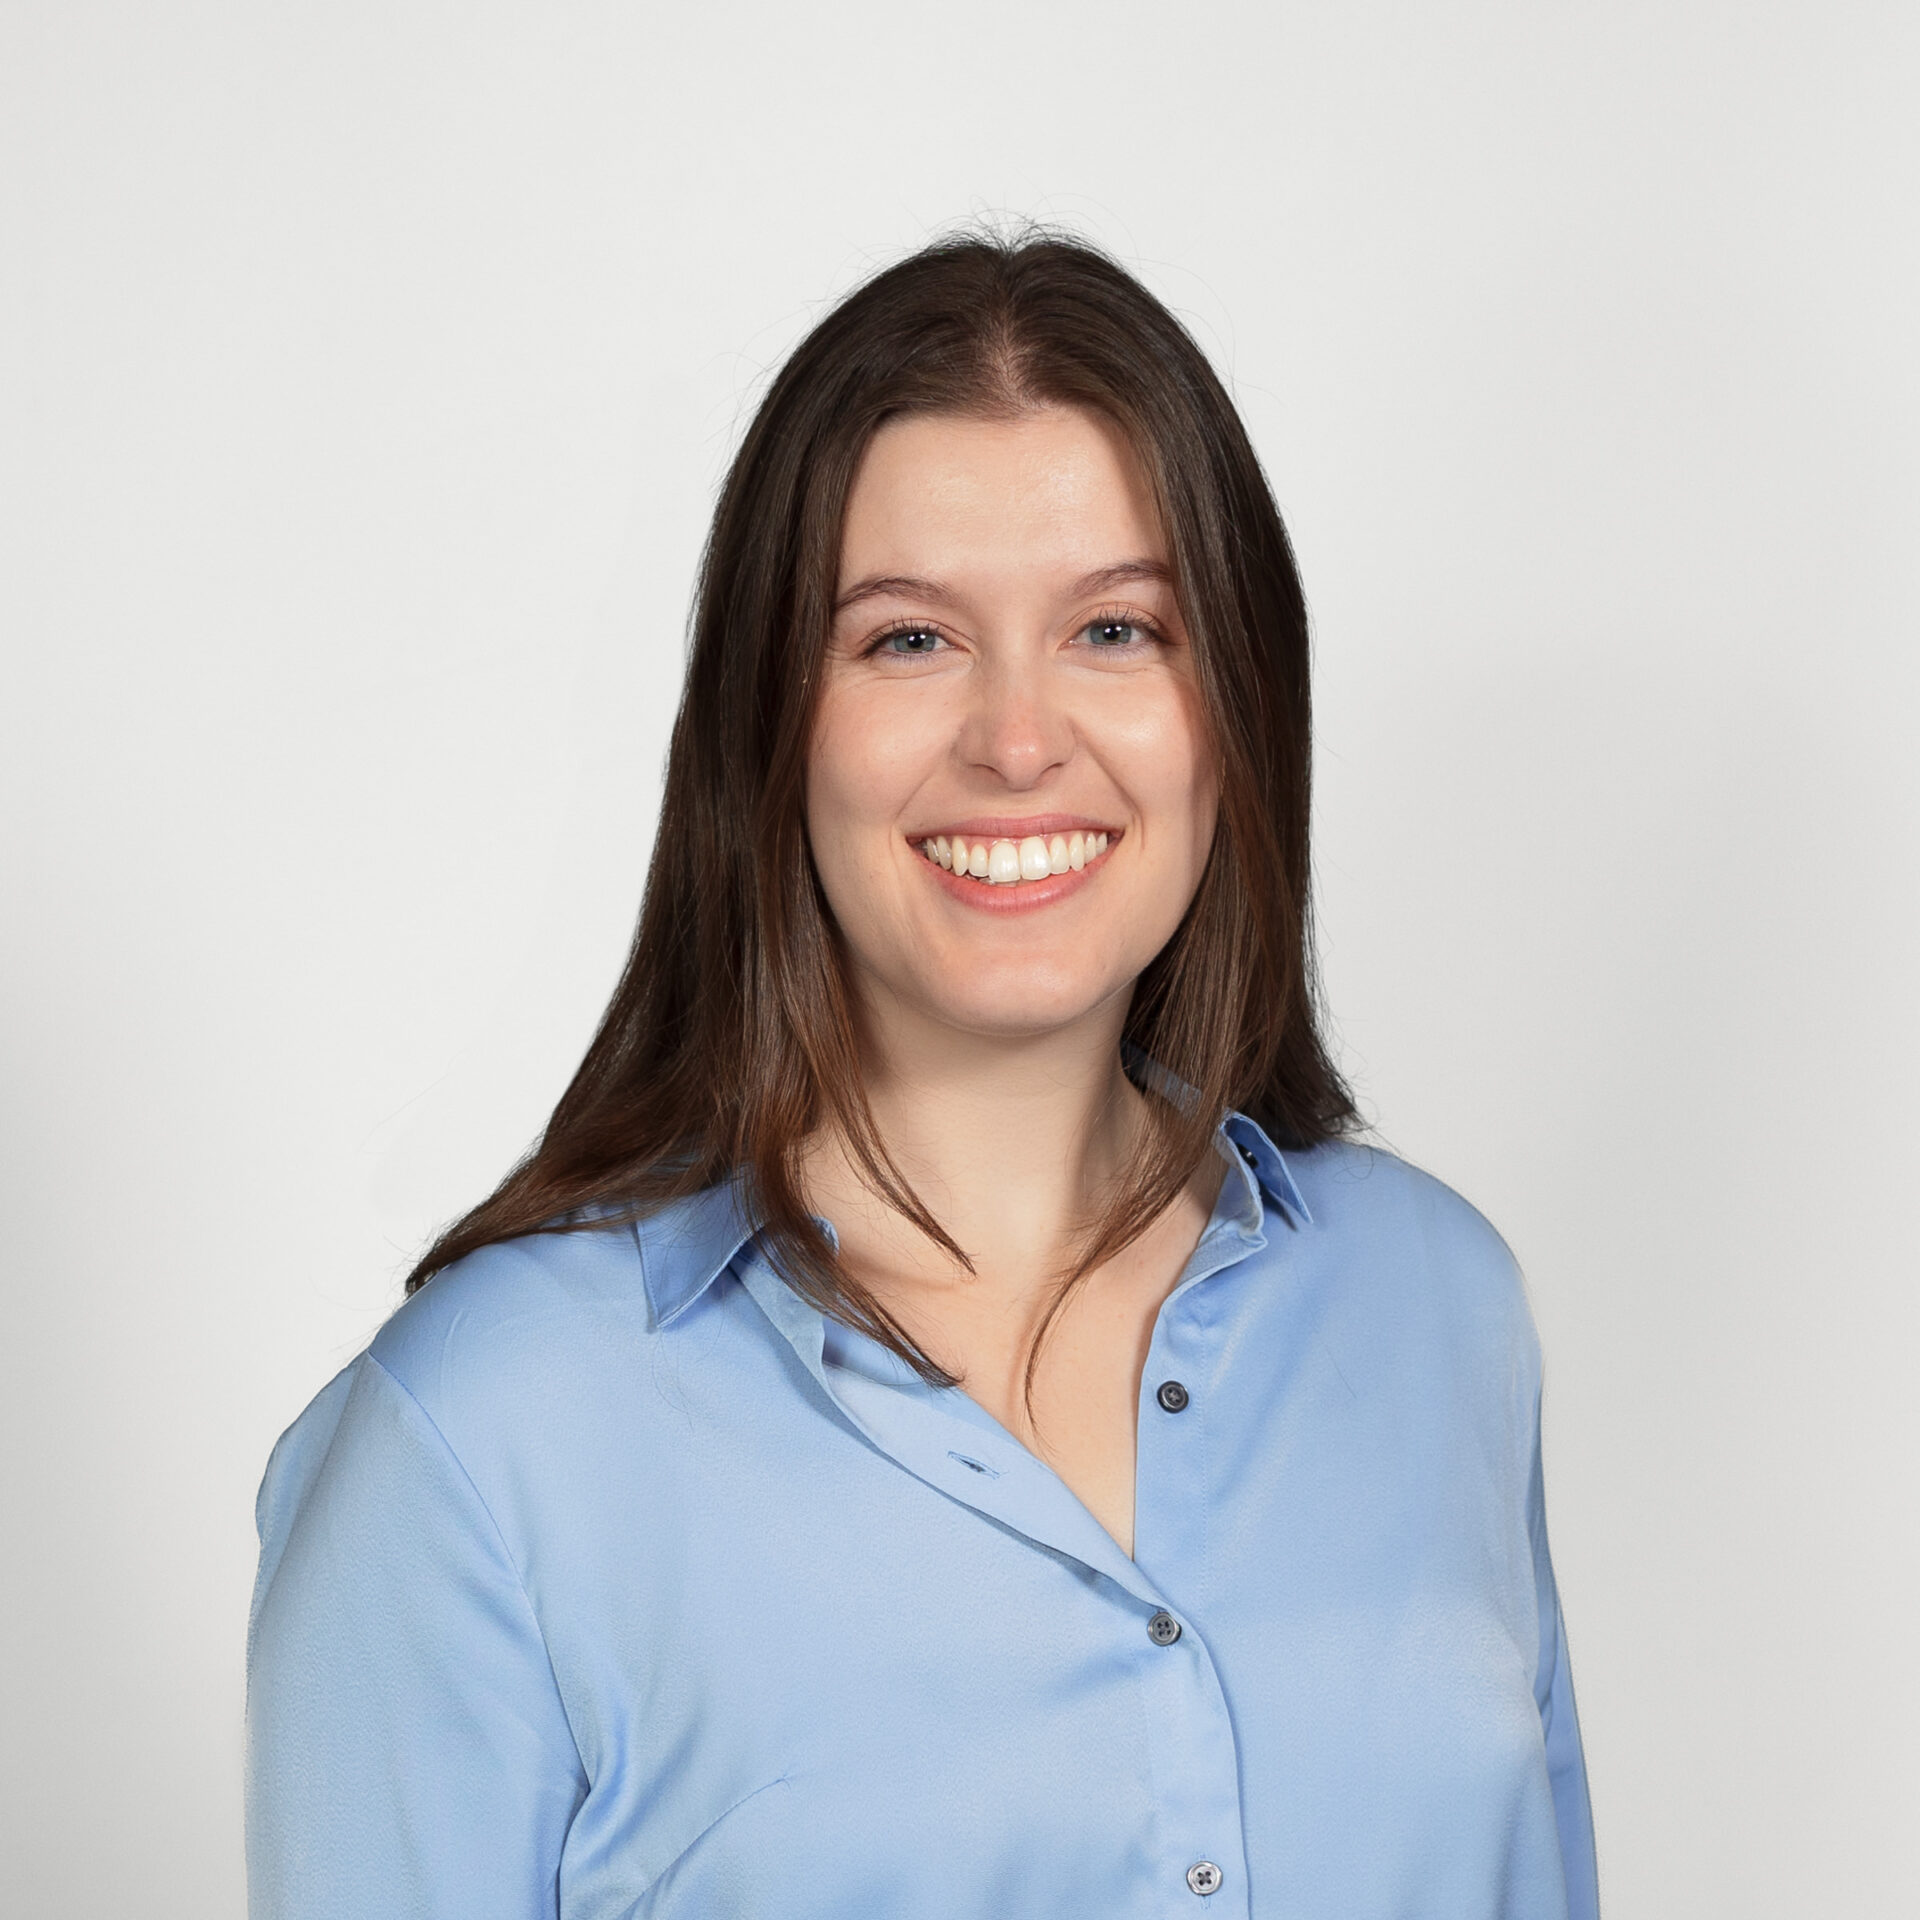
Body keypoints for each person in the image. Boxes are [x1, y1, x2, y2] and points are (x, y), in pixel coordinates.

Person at [245, 230, 1599, 1920]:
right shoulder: (483, 1439)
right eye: (906, 642)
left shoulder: (1437, 1308)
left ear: (1234, 704)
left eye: (1116, 629)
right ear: (769, 724)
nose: (1020, 740)